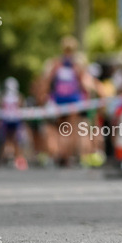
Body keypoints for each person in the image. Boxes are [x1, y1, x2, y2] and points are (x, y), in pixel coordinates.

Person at [44, 36, 94, 166]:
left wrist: (47, 97)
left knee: (59, 129)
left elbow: (48, 82)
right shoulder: (77, 66)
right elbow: (83, 84)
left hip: (58, 100)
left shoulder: (56, 64)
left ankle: (59, 153)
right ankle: (66, 155)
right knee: (70, 130)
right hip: (73, 101)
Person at [0, 77, 28, 169]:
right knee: (14, 141)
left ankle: (6, 159)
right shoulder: (18, 97)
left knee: (9, 140)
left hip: (9, 120)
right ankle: (15, 158)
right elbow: (22, 107)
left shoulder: (4, 96)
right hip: (14, 121)